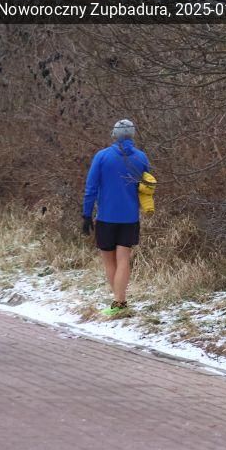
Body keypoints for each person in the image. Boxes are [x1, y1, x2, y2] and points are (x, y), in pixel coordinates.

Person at [82, 119, 151, 318]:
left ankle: (119, 303)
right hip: (130, 217)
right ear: (133, 135)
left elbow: (91, 188)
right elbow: (146, 187)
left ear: (114, 135)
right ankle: (120, 302)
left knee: (109, 262)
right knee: (123, 260)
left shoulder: (102, 156)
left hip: (106, 217)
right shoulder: (141, 157)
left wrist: (86, 214)